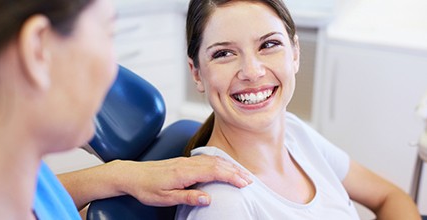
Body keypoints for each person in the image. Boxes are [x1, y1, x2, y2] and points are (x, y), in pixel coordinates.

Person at [0, 0, 253, 219]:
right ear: (38, 50)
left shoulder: (25, 177)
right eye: (107, 34)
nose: (114, 72)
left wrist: (120, 176)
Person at [176, 0, 421, 219]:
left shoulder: (294, 133)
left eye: (269, 44)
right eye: (224, 53)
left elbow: (389, 196)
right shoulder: (222, 204)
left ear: (295, 53)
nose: (252, 71)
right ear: (196, 73)